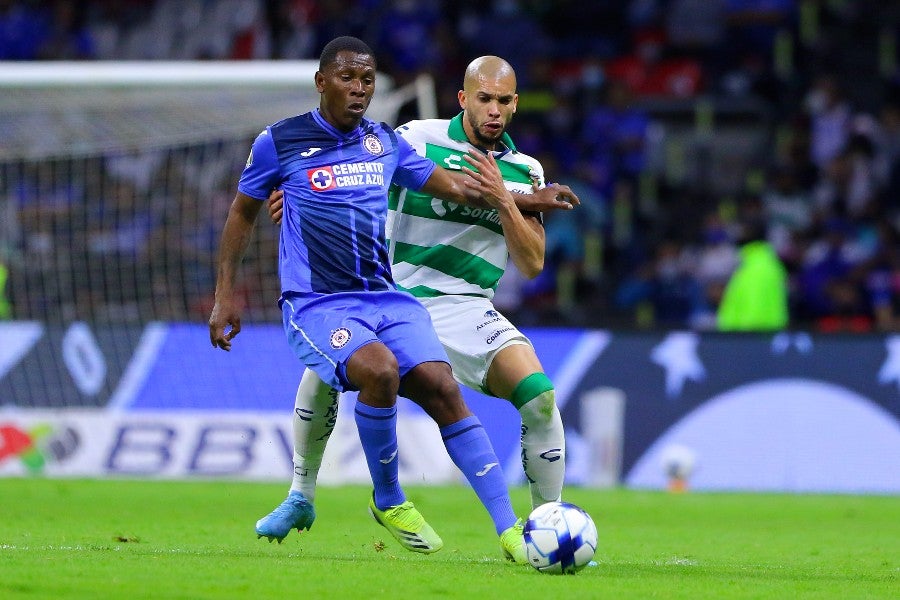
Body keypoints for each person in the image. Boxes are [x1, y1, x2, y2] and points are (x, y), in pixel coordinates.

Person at [208, 37, 577, 563]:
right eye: (484, 98)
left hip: (463, 304)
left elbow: (526, 256)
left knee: (525, 396)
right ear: (462, 98)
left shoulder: (523, 168)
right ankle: (303, 493)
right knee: (333, 373)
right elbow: (338, 187)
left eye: (505, 100)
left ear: (516, 104)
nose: (494, 110)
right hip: (388, 287)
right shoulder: (413, 136)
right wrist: (295, 201)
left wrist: (515, 199)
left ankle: (539, 526)